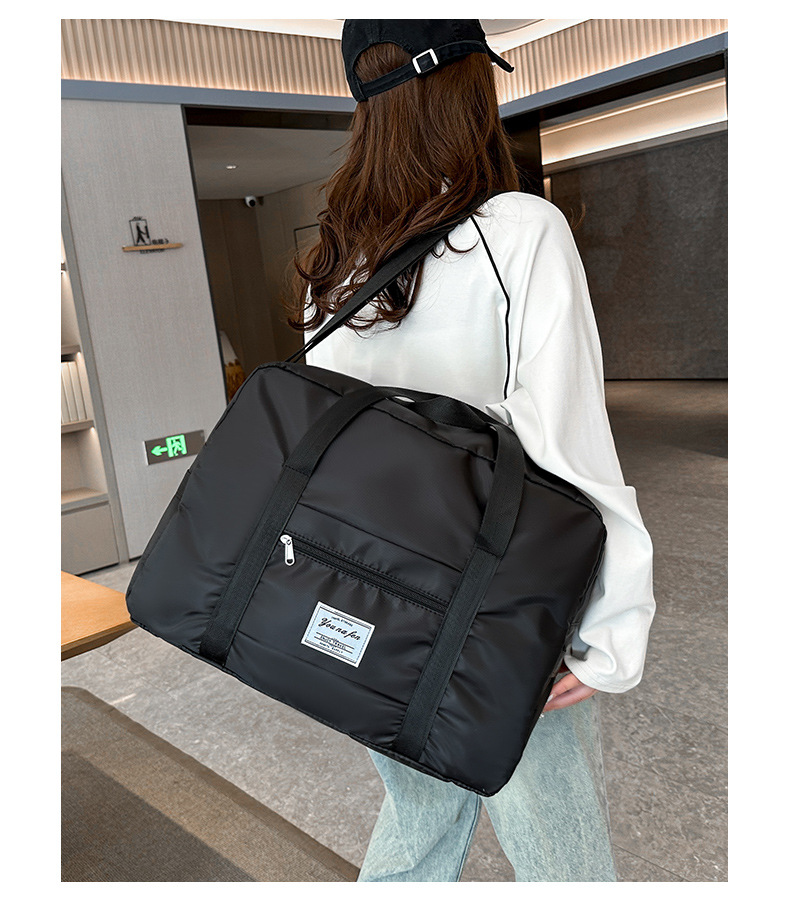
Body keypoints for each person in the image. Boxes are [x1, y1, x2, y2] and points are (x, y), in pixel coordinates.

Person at [284, 19, 656, 883]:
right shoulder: (519, 227)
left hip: (366, 597)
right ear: (465, 89)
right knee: (561, 854)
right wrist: (611, 634)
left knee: (419, 821)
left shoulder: (335, 262)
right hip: (500, 600)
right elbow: (566, 442)